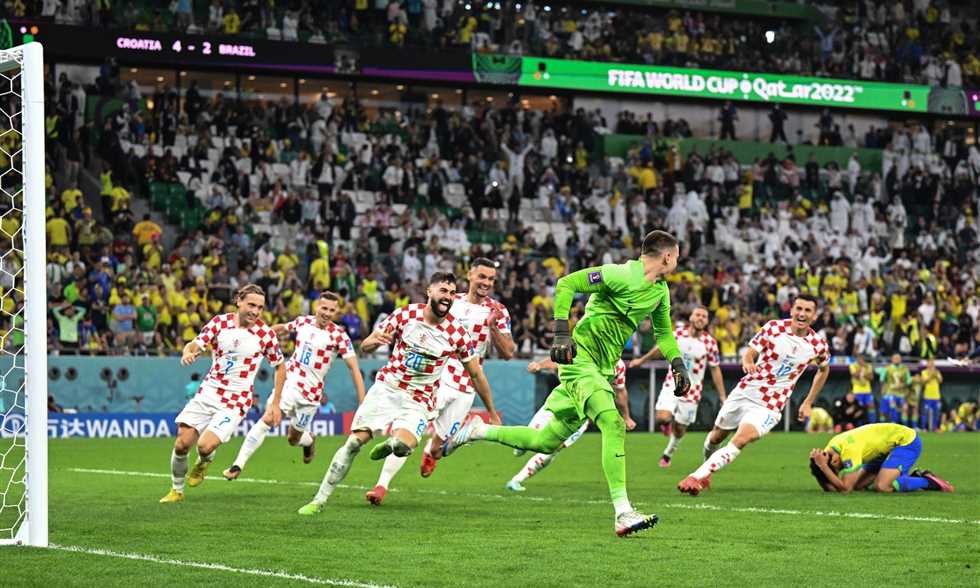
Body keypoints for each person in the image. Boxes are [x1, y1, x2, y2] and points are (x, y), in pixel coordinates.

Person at [444, 230, 690, 537]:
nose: (678, 262)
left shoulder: (660, 292)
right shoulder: (619, 274)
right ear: (667, 256)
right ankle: (623, 512)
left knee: (545, 442)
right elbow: (567, 283)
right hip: (580, 360)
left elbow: (664, 334)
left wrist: (678, 364)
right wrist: (561, 333)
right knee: (613, 423)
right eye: (677, 256)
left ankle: (477, 430)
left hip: (602, 369)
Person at [297, 272, 497, 515]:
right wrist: (375, 341)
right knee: (353, 443)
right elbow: (365, 346)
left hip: (419, 399)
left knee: (403, 446)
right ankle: (318, 501)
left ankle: (391, 443)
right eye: (443, 291)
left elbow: (476, 374)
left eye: (452, 293)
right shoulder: (406, 314)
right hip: (388, 388)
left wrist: (491, 411)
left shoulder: (457, 333)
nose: (448, 296)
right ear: (429, 291)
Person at [367, 259, 510, 505]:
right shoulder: (450, 302)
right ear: (470, 275)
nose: (486, 282)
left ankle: (431, 453)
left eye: (491, 279)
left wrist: (493, 327)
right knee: (411, 429)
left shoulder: (498, 310)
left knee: (437, 448)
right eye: (482, 276)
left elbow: (507, 352)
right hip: (439, 379)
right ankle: (381, 486)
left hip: (467, 388)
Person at [677, 294, 830, 496]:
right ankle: (706, 471)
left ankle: (696, 476)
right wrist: (748, 361)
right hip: (746, 391)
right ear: (791, 310)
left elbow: (823, 369)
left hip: (770, 405)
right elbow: (750, 351)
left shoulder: (818, 344)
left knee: (741, 439)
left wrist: (808, 402)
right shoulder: (773, 328)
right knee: (716, 437)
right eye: (799, 309)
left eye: (807, 310)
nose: (802, 314)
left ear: (815, 315)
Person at [160, 284, 285, 504]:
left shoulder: (265, 335)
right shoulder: (219, 323)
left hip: (236, 400)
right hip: (208, 392)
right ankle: (176, 491)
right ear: (239, 301)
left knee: (204, 446)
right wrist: (188, 352)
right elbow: (195, 344)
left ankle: (204, 461)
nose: (255, 311)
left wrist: (275, 402)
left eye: (260, 307)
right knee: (181, 443)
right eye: (251, 305)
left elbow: (280, 367)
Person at [223, 291, 367, 480]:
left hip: (311, 395)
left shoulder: (339, 336)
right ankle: (238, 465)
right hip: (290, 382)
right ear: (317, 306)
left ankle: (309, 440)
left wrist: (363, 403)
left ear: (336, 312)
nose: (327, 313)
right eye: (324, 308)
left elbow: (354, 368)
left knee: (293, 439)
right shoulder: (303, 322)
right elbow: (282, 328)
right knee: (268, 418)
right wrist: (257, 336)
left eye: (332, 310)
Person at [506, 359, 634, 492]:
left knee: (553, 448)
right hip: (559, 401)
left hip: (579, 416)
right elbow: (560, 358)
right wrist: (540, 365)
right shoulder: (589, 351)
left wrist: (626, 416)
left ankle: (517, 480)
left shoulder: (618, 366)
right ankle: (519, 446)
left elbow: (620, 391)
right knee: (530, 438)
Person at [628, 306, 725, 468]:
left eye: (704, 316)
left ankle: (668, 453)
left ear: (707, 321)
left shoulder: (710, 343)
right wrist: (641, 360)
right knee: (661, 417)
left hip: (692, 391)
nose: (700, 318)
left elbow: (715, 369)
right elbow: (660, 349)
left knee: (680, 429)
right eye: (698, 314)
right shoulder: (678, 334)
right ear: (691, 317)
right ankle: (667, 424)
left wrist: (722, 396)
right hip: (671, 384)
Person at [809, 423, 954, 493]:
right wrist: (819, 468)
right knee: (858, 486)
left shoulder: (849, 450)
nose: (841, 471)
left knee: (882, 486)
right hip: (882, 450)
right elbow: (831, 485)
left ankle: (928, 481)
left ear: (834, 461)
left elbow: (846, 489)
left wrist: (824, 467)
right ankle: (908, 476)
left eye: (838, 470)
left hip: (906, 441)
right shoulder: (829, 451)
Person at [879, 354, 911, 424]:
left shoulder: (905, 369)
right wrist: (883, 390)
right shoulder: (887, 368)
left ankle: (905, 426)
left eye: (898, 358)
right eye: (895, 358)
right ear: (892, 359)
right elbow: (881, 380)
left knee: (905, 408)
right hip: (890, 393)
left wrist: (903, 384)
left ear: (901, 359)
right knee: (892, 407)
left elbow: (909, 381)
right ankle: (893, 424)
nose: (897, 360)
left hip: (901, 393)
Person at [916, 359, 943, 431]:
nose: (931, 365)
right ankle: (924, 428)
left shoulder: (937, 372)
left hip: (936, 396)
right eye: (930, 363)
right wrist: (931, 375)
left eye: (932, 363)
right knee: (925, 413)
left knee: (936, 413)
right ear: (927, 364)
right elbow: (924, 381)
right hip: (927, 396)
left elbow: (940, 381)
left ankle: (935, 428)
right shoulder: (924, 372)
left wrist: (936, 375)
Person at [848, 354, 875, 423]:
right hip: (857, 390)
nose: (860, 360)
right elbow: (855, 375)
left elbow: (871, 377)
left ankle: (872, 423)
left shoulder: (868, 366)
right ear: (856, 359)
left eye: (862, 359)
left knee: (871, 406)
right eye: (859, 359)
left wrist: (864, 373)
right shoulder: (853, 365)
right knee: (858, 407)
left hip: (867, 390)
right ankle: (858, 424)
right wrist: (861, 369)